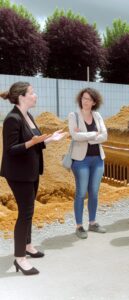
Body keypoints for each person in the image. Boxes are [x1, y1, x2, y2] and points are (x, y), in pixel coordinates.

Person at [0, 82, 67, 275]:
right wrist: (33, 142)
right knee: (25, 213)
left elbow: (35, 140)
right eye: (32, 93)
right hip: (18, 174)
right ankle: (20, 258)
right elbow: (11, 149)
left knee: (29, 211)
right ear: (22, 96)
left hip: (31, 171)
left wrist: (50, 139)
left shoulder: (28, 115)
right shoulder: (13, 118)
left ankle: (28, 246)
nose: (35, 95)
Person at [68, 88, 107, 239]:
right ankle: (79, 226)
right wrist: (93, 134)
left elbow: (105, 136)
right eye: (83, 98)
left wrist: (86, 136)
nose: (85, 101)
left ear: (94, 102)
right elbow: (75, 136)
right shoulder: (74, 116)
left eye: (89, 99)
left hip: (97, 159)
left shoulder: (97, 116)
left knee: (94, 193)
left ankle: (92, 222)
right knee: (81, 193)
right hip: (80, 160)